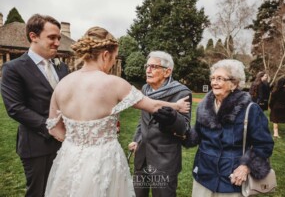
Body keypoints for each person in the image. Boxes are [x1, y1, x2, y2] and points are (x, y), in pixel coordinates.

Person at [44, 27, 190, 197]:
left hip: (70, 157)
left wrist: (77, 142)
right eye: (114, 58)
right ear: (105, 55)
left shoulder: (62, 84)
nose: (112, 62)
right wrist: (177, 106)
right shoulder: (114, 83)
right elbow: (153, 106)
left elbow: (53, 128)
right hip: (103, 159)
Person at [180, 59, 274, 196]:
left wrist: (246, 166)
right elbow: (195, 136)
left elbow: (264, 144)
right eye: (212, 78)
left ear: (234, 83)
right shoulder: (204, 107)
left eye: (220, 78)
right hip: (204, 175)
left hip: (231, 179)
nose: (214, 82)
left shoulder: (250, 109)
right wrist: (177, 127)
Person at [0, 14, 69, 196]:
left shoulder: (61, 67)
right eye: (52, 37)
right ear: (33, 36)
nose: (57, 43)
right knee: (40, 192)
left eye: (59, 38)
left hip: (68, 143)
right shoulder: (13, 68)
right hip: (37, 144)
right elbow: (15, 108)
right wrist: (52, 128)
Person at [127, 51, 192, 197]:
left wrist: (172, 118)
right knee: (138, 193)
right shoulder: (145, 89)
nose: (148, 70)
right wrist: (136, 139)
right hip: (142, 154)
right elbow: (142, 120)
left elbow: (184, 128)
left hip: (164, 158)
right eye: (147, 66)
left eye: (154, 66)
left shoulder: (182, 92)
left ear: (167, 72)